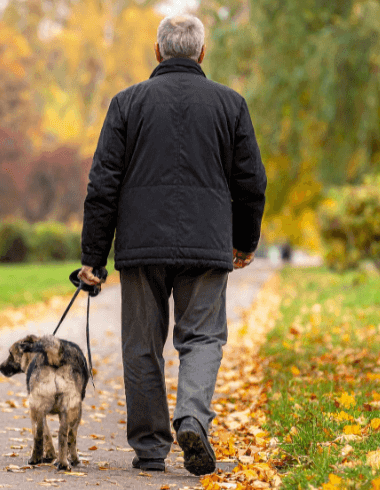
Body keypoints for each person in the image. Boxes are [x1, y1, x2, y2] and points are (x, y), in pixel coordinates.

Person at [77, 13, 267, 476]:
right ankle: (192, 419)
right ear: (201, 53)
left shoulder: (127, 103)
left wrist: (93, 259)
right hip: (207, 244)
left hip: (141, 246)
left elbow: (103, 183)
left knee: (141, 344)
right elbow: (251, 181)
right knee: (202, 337)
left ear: (158, 52)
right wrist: (244, 241)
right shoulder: (230, 104)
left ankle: (149, 448)